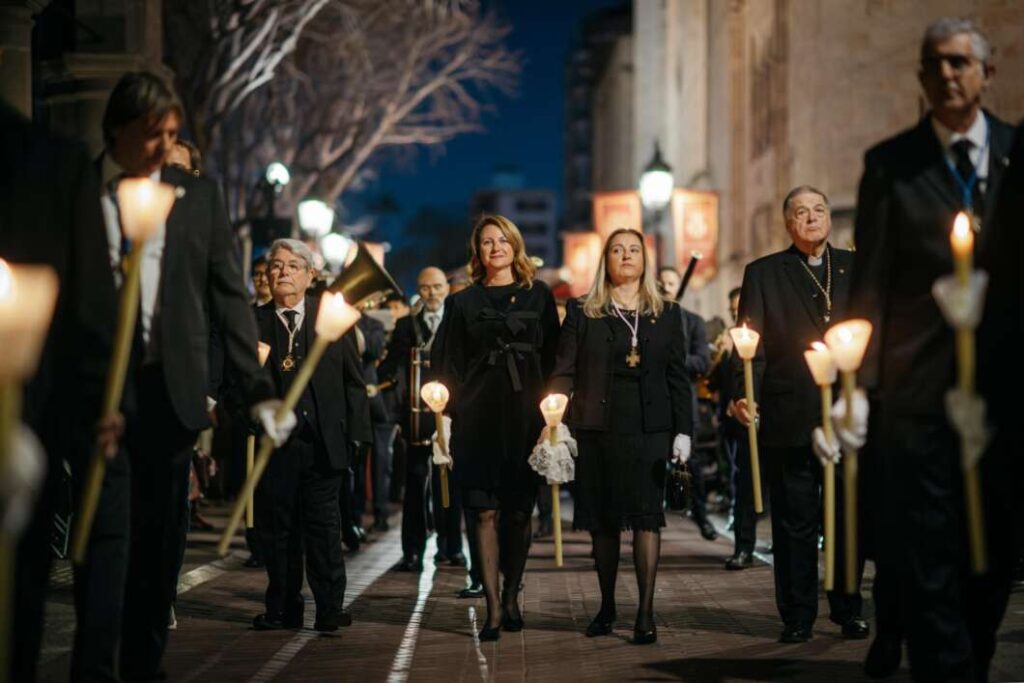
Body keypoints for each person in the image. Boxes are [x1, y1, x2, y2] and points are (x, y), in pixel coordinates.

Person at [96, 72, 293, 680]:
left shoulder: (197, 196)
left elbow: (229, 298)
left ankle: (144, 663)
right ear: (118, 131)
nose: (163, 147)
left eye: (174, 134)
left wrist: (257, 392)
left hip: (168, 392)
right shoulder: (80, 188)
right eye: (153, 133)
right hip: (99, 392)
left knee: (158, 545)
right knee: (103, 542)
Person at [848, 19, 1016, 680]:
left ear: (986, 72)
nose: (947, 74)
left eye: (958, 62)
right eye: (934, 65)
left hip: (1002, 397)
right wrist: (859, 385)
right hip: (916, 395)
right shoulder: (891, 165)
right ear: (920, 79)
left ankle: (970, 650)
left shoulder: (1015, 152)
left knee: (997, 551)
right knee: (927, 552)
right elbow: (871, 285)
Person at [0, 101, 120, 682]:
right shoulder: (52, 161)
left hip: (26, 419)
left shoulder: (47, 163)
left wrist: (94, 413)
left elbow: (87, 313)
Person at [732, 186, 868, 644]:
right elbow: (750, 344)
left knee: (847, 517)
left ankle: (849, 608)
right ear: (788, 224)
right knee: (795, 522)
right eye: (801, 212)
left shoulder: (855, 268)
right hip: (789, 412)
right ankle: (797, 614)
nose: (812, 218)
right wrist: (742, 393)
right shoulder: (765, 273)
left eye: (819, 210)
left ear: (830, 218)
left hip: (846, 414)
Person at [550, 229, 692, 645]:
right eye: (617, 250)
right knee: (604, 521)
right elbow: (564, 368)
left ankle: (645, 612)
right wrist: (553, 413)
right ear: (605, 260)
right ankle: (607, 604)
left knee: (648, 518)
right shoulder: (583, 310)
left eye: (633, 250)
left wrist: (683, 430)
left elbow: (677, 376)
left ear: (644, 260)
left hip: (650, 427)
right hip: (597, 426)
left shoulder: (666, 312)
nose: (626, 256)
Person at [433, 215, 560, 640]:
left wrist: (554, 418)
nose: (495, 248)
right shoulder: (461, 302)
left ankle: (511, 594)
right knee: (482, 510)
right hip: (477, 416)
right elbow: (445, 363)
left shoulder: (538, 295)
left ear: (516, 246)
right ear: (478, 252)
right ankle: (491, 606)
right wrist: (444, 415)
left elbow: (555, 357)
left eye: (502, 240)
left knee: (520, 512)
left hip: (524, 415)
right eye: (487, 242)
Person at [252, 238, 364, 632]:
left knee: (323, 527)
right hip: (274, 444)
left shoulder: (330, 316)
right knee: (279, 530)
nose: (283, 272)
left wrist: (357, 436)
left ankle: (330, 608)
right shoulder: (254, 322)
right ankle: (282, 607)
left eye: (292, 266)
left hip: (323, 442)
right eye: (276, 266)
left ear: (310, 275)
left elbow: (354, 380)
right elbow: (239, 382)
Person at [379, 266, 471, 573]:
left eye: (437, 286)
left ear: (447, 288)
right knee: (416, 484)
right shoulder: (406, 326)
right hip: (416, 419)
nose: (431, 293)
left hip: (451, 417)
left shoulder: (458, 321)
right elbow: (389, 367)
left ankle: (451, 547)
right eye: (425, 287)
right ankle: (412, 552)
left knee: (451, 483)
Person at [656, 266, 716, 541]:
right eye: (663, 282)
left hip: (683, 402)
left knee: (690, 464)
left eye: (672, 282)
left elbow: (701, 360)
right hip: (655, 402)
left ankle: (702, 517)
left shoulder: (693, 321)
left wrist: (673, 362)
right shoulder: (651, 319)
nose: (667, 287)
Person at [713, 287, 760, 569]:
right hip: (740, 421)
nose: (735, 313)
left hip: (773, 416)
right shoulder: (730, 339)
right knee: (744, 486)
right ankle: (744, 546)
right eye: (733, 309)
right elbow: (727, 377)